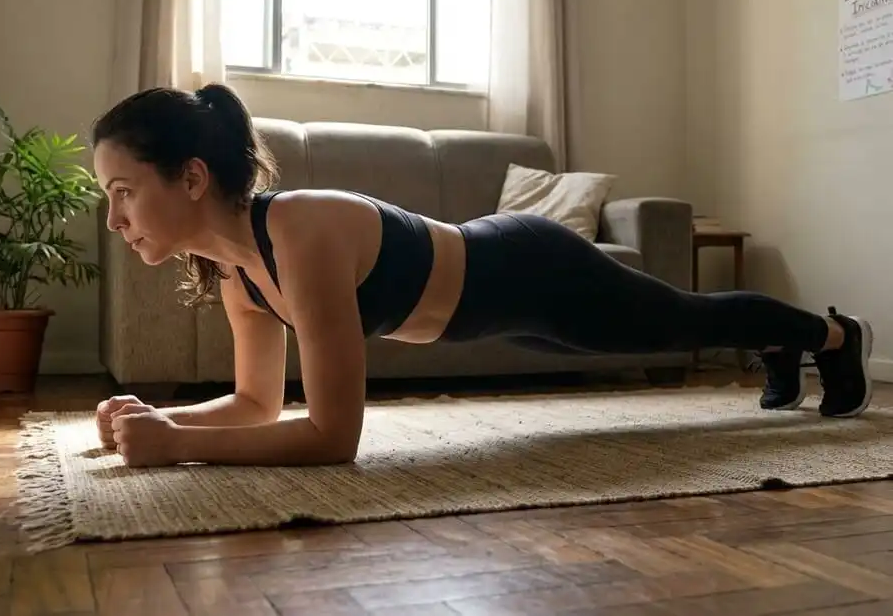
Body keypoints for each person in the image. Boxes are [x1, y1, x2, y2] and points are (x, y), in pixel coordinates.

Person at [91, 84, 874, 469]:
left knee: (684, 321)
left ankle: (832, 335)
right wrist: (158, 420)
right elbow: (257, 405)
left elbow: (333, 438)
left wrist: (179, 447)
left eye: (124, 192)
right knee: (676, 322)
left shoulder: (300, 230)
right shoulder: (237, 272)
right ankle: (787, 345)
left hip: (532, 269)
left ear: (192, 178)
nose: (114, 218)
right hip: (503, 313)